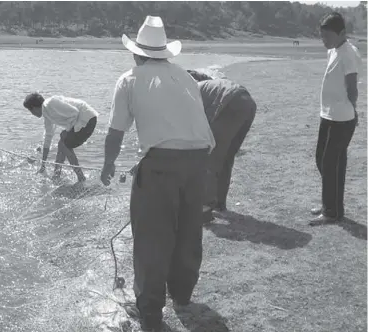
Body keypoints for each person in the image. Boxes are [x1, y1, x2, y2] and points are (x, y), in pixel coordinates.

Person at [100, 16, 215, 331]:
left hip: (162, 165)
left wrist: (108, 164)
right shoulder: (185, 76)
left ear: (136, 54)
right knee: (188, 231)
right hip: (198, 160)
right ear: (164, 53)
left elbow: (115, 132)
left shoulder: (129, 79)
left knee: (152, 239)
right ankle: (181, 296)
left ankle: (150, 313)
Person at [310, 12, 361, 225]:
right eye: (322, 36)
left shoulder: (348, 53)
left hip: (342, 118)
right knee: (323, 159)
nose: (324, 40)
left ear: (341, 33)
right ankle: (329, 204)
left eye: (327, 36)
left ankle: (332, 211)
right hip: (328, 114)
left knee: (331, 163)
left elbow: (352, 87)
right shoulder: (334, 50)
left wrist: (353, 110)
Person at [187, 70, 257, 222]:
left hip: (231, 104)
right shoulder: (212, 84)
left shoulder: (193, 91)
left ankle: (205, 209)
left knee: (210, 159)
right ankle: (219, 203)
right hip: (248, 103)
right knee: (226, 157)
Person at [23, 93, 98, 183]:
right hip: (83, 121)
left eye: (30, 111)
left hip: (87, 119)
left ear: (34, 108)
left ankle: (81, 177)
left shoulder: (50, 103)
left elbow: (74, 112)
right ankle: (56, 175)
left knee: (64, 143)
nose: (32, 114)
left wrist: (67, 131)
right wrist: (43, 165)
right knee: (62, 142)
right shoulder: (47, 115)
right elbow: (48, 138)